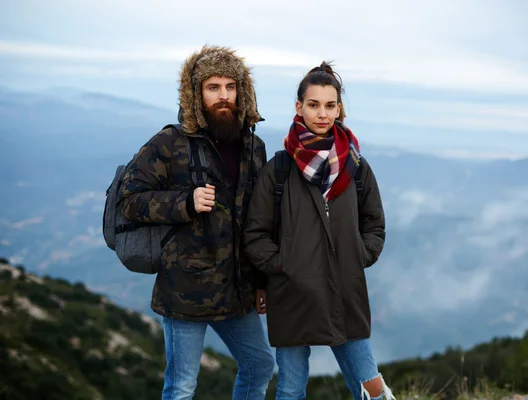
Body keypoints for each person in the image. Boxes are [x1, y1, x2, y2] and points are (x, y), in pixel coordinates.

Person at [118, 45, 274, 400]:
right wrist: (184, 202)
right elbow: (129, 201)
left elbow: (261, 221)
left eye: (230, 87)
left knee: (260, 366)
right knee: (182, 386)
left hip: (237, 290)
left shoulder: (254, 148)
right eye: (213, 87)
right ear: (196, 94)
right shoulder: (169, 143)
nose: (223, 96)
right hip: (184, 292)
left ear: (242, 92)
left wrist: (262, 281)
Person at [243, 62, 395, 400]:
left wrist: (359, 254)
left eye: (330, 105)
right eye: (313, 105)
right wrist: (285, 266)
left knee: (370, 388)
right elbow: (255, 235)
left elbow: (375, 224)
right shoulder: (280, 169)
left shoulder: (355, 166)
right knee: (291, 389)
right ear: (299, 107)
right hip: (292, 292)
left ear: (339, 109)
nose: (322, 114)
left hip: (344, 289)